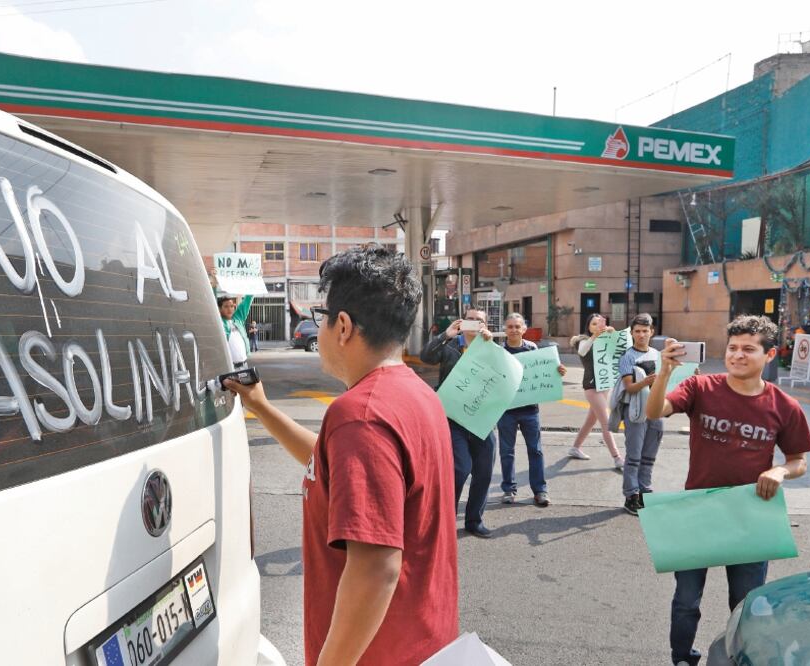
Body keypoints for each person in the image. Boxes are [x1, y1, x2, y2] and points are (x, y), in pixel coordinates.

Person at [226, 246, 458, 665]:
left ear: (344, 326)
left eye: (323, 318)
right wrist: (261, 406)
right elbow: (333, 464)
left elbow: (375, 570)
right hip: (424, 644)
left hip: (377, 655)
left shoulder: (361, 416)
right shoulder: (416, 395)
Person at [646, 315, 810, 666]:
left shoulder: (785, 406)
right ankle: (681, 659)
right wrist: (664, 372)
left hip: (750, 514)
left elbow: (799, 460)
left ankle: (740, 659)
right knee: (686, 600)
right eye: (733, 348)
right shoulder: (700, 388)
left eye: (749, 349)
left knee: (746, 603)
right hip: (698, 511)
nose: (738, 355)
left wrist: (780, 470)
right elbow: (653, 411)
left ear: (769, 355)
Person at [420, 308, 497, 538]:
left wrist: (492, 347)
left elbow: (505, 376)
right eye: (470, 319)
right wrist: (446, 335)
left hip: (482, 419)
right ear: (463, 322)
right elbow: (426, 357)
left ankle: (474, 520)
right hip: (452, 418)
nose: (474, 323)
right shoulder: (451, 345)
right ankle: (446, 520)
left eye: (479, 321)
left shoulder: (491, 348)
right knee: (459, 468)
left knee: (484, 470)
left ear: (485, 325)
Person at [497, 313, 567, 507]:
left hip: (530, 410)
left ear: (524, 329)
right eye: (510, 326)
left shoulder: (533, 349)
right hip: (506, 410)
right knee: (506, 451)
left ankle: (540, 491)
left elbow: (545, 373)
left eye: (517, 326)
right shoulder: (499, 352)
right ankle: (509, 490)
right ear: (505, 329)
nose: (513, 330)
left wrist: (558, 371)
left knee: (535, 451)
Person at [617, 313, 662, 516]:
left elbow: (670, 384)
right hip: (635, 411)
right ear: (632, 333)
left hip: (657, 410)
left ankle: (645, 490)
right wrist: (646, 381)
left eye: (645, 331)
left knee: (649, 456)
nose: (641, 335)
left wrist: (688, 375)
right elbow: (630, 388)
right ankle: (631, 495)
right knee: (634, 456)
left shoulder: (658, 355)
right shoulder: (628, 356)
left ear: (652, 332)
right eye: (637, 331)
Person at [568, 314, 625, 469]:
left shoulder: (606, 340)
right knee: (606, 422)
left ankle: (575, 448)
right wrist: (595, 335)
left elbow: (621, 350)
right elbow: (582, 351)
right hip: (592, 387)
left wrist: (613, 334)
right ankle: (617, 458)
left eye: (599, 323)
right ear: (588, 326)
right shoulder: (583, 340)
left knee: (591, 421)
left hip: (605, 385)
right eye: (594, 324)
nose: (597, 326)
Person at [219, 294, 253, 367]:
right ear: (219, 308)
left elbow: (247, 301)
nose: (230, 309)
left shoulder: (238, 318)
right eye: (226, 306)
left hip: (244, 365)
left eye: (232, 306)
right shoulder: (218, 322)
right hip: (229, 367)